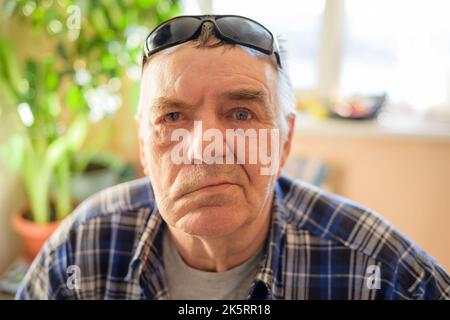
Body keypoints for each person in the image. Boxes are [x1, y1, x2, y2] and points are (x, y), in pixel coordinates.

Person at [17, 15, 449, 300]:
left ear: (284, 142)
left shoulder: (382, 271)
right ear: (144, 148)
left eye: (241, 113)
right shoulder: (80, 250)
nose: (207, 144)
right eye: (172, 116)